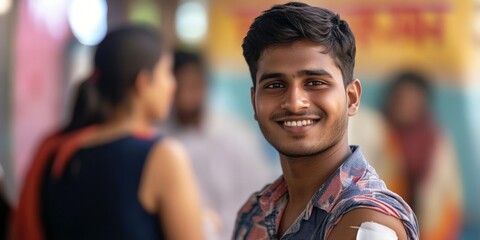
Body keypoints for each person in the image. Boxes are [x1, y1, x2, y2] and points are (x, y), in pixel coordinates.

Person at [233, 2, 419, 239]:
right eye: (275, 85)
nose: (294, 102)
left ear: (351, 98)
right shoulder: (255, 212)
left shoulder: (368, 221)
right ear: (254, 103)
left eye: (314, 82)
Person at [12, 25, 204, 240]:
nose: (172, 85)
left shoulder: (59, 150)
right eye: (167, 73)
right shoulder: (164, 156)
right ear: (142, 83)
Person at [160, 50, 275, 240]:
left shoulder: (237, 136)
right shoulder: (159, 137)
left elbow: (259, 201)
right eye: (179, 87)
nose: (186, 97)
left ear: (205, 85)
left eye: (193, 86)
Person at [381, 72, 463, 240]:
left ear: (424, 104)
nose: (405, 106)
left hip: (430, 229)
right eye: (401, 99)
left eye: (413, 100)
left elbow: (448, 194)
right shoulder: (376, 134)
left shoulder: (435, 141)